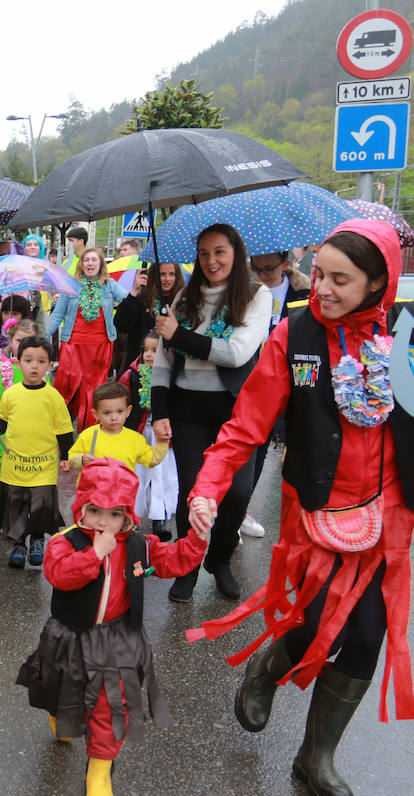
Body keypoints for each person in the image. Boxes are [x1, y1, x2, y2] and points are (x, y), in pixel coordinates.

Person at [186, 219, 414, 796]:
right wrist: (208, 488)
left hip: (385, 513)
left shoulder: (404, 337)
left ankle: (316, 758)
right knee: (312, 624)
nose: (325, 288)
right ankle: (266, 665)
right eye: (320, 274)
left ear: (378, 284)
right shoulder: (295, 334)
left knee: (366, 633)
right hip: (314, 510)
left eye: (342, 280)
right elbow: (244, 427)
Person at [17, 458, 207, 796]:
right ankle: (61, 714)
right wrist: (94, 554)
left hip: (117, 641)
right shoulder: (65, 541)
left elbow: (174, 560)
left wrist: (199, 535)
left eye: (115, 514)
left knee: (109, 707)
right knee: (60, 689)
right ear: (82, 508)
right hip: (70, 636)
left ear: (127, 516)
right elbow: (59, 575)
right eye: (96, 511)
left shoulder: (137, 545)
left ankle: (100, 772)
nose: (104, 522)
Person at [152, 223, 271, 602]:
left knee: (236, 495)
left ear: (235, 252)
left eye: (219, 251)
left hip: (236, 415)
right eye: (203, 253)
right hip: (188, 412)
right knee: (192, 493)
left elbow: (236, 352)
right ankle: (186, 568)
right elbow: (162, 360)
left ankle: (218, 560)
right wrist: (159, 410)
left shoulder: (255, 295)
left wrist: (178, 335)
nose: (211, 260)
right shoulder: (185, 297)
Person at [239, 249, 313, 539]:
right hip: (248, 377)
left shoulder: (303, 293)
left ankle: (243, 507)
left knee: (271, 447)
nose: (262, 275)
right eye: (256, 269)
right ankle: (234, 509)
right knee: (246, 446)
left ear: (286, 264)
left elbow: (309, 339)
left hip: (287, 380)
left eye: (268, 269)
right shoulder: (245, 290)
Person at [0, 335, 74, 569]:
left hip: (43, 465)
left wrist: (65, 456)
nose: (34, 366)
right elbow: (2, 421)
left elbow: (64, 431)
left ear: (50, 365)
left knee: (42, 505)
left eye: (41, 361)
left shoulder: (53, 397)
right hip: (14, 463)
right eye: (28, 360)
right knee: (15, 504)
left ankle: (37, 540)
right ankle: (18, 544)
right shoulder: (11, 394)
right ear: (18, 362)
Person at [49, 247, 126, 429]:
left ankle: (89, 432)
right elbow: (57, 315)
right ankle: (60, 429)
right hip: (73, 345)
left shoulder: (109, 285)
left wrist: (136, 292)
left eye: (94, 260)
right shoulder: (71, 286)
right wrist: (40, 340)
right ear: (81, 264)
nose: (90, 263)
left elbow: (128, 300)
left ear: (101, 264)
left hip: (100, 346)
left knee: (94, 390)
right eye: (86, 260)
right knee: (67, 388)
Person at [120, 332, 176, 539]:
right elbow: (120, 399)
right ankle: (132, 517)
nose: (150, 355)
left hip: (161, 435)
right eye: (147, 350)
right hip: (138, 432)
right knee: (137, 474)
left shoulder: (172, 376)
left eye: (156, 350)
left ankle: (159, 519)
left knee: (161, 475)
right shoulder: (132, 374)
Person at [0, 318, 38, 501]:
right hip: (3, 422)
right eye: (20, 340)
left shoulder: (38, 369)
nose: (24, 345)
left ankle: (21, 485)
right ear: (11, 340)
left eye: (30, 341)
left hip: (27, 423)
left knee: (23, 455)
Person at [67, 381, 170, 474]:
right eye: (107, 413)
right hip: (93, 492)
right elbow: (72, 457)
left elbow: (152, 459)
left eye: (120, 411)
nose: (114, 417)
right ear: (96, 414)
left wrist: (162, 442)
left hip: (122, 493)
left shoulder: (134, 439)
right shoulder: (88, 435)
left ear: (128, 411)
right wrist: (82, 459)